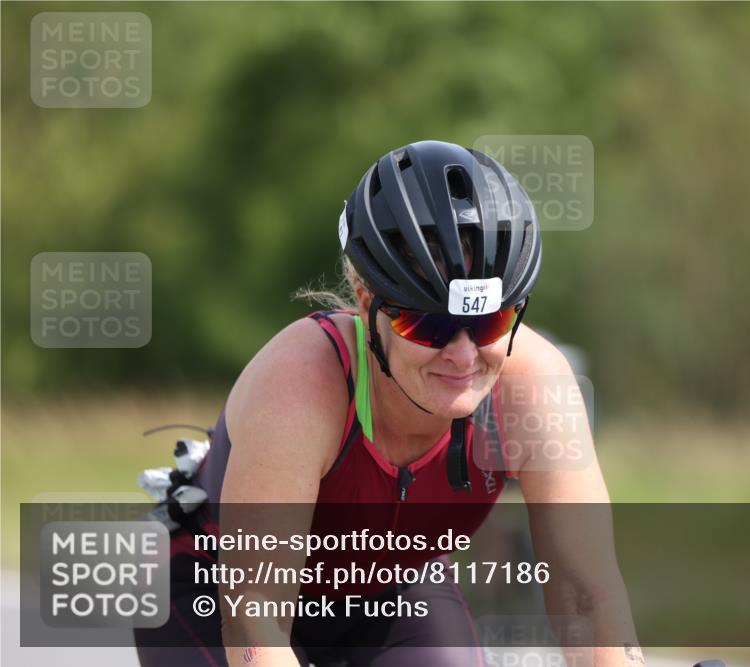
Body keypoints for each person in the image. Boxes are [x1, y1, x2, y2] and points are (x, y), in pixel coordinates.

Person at [134, 140, 640, 667]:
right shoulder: (302, 381)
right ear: (365, 300)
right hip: (216, 586)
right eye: (432, 324)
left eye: (489, 322)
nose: (464, 355)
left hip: (391, 586)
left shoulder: (533, 384)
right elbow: (255, 613)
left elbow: (587, 593)